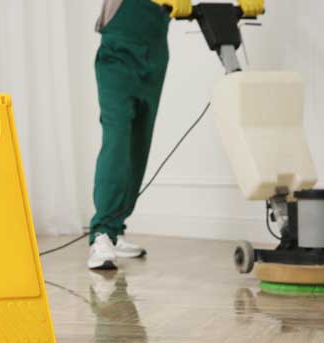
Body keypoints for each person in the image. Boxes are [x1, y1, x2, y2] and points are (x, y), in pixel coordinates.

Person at [87, 0, 264, 269]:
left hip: (155, 55)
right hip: (118, 53)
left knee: (139, 144)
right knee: (117, 139)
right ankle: (101, 234)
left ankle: (115, 229)